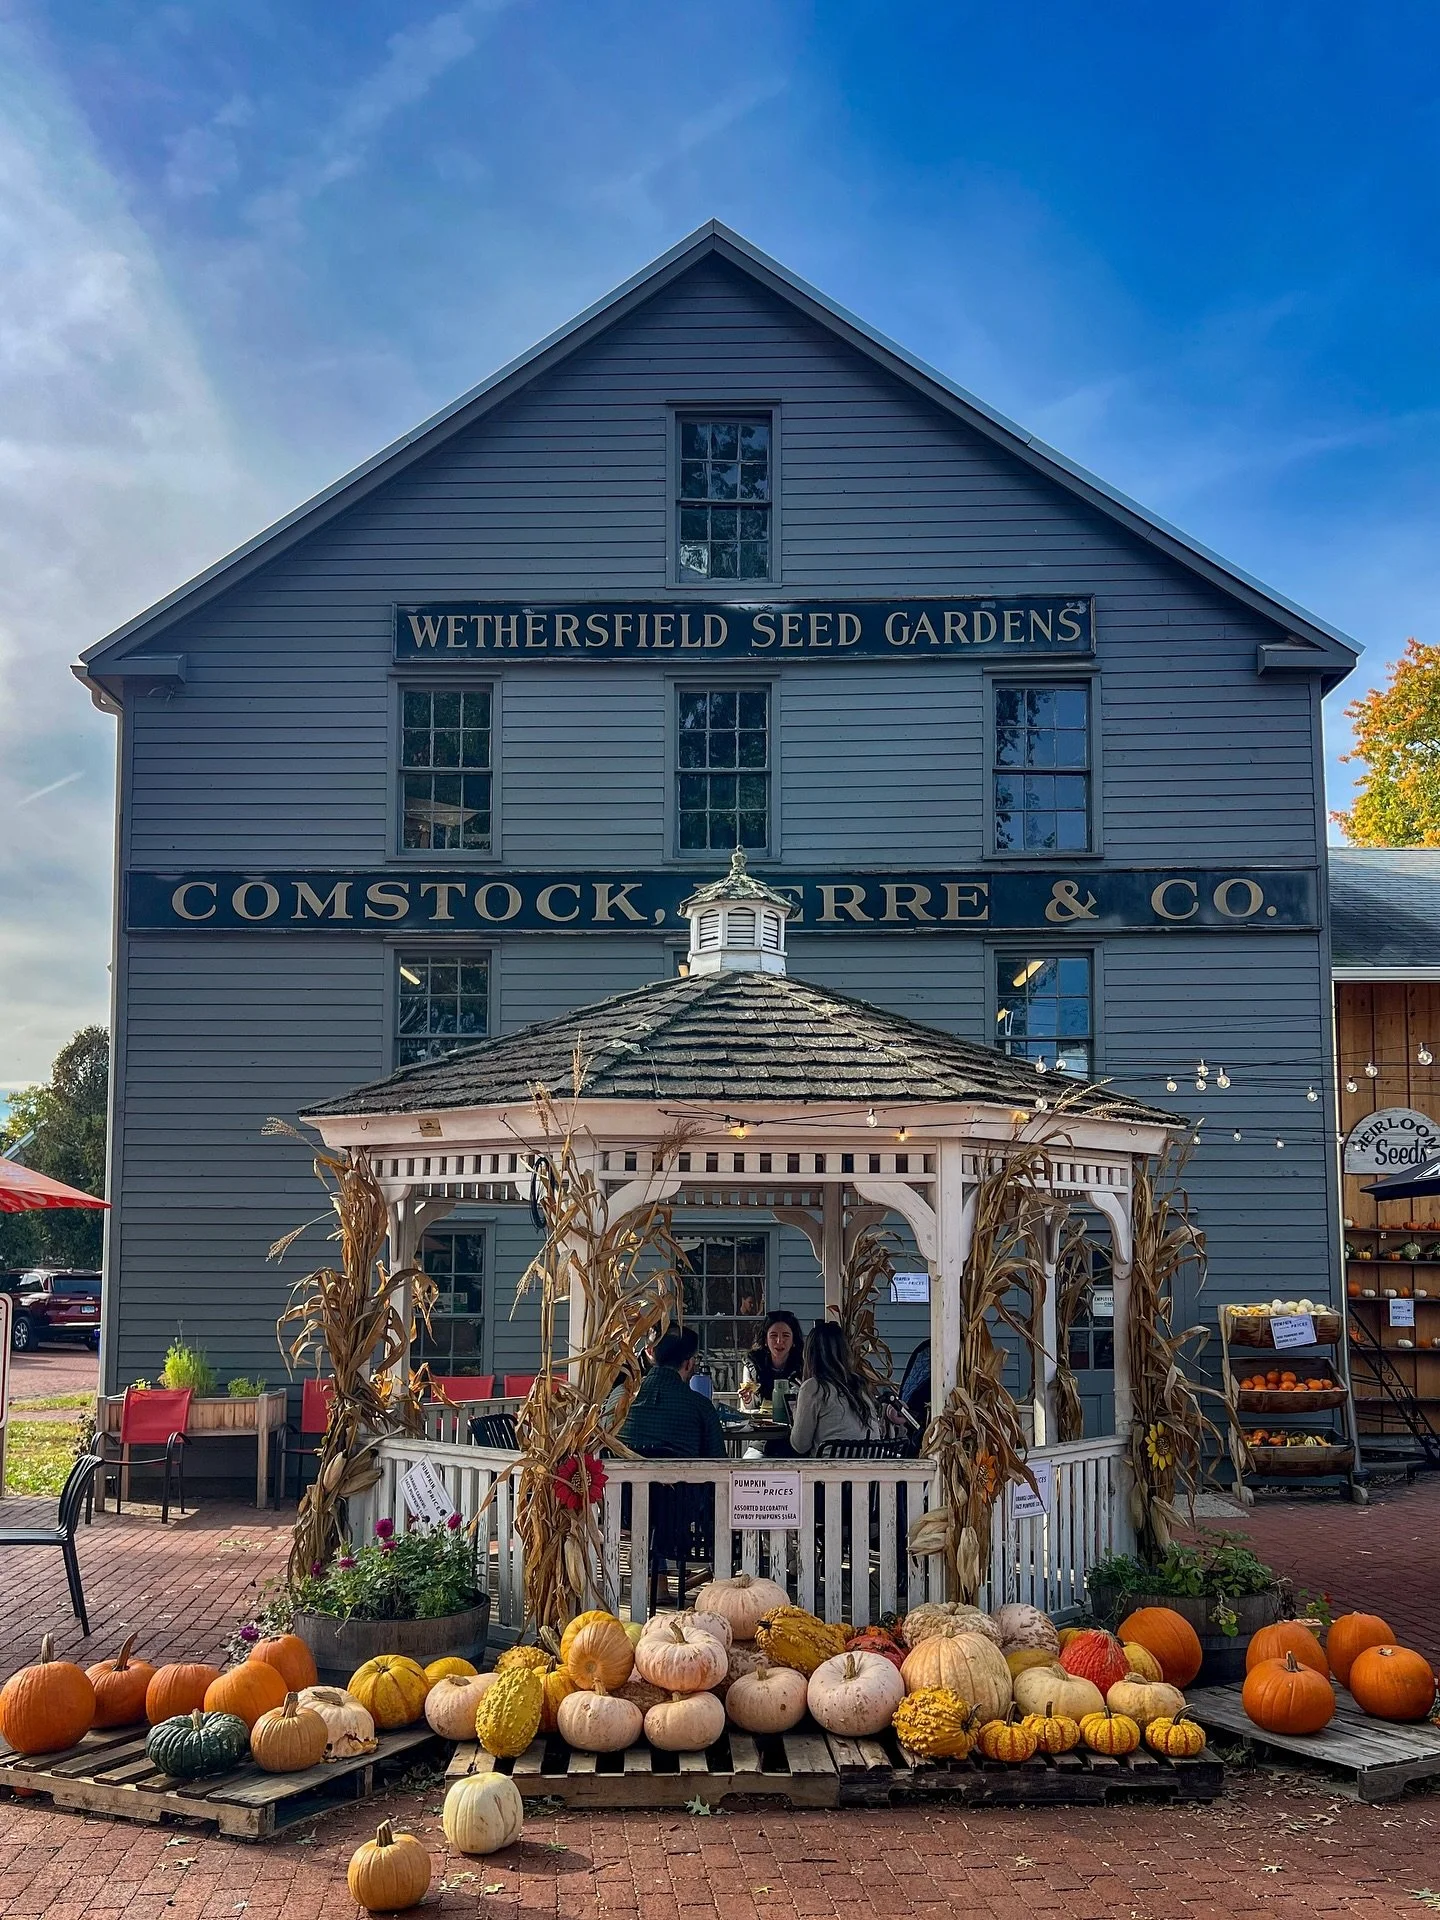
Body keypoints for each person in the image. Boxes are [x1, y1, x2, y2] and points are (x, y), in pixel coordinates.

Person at [619, 1325, 727, 1458]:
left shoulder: (621, 1398)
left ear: (651, 1354)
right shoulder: (700, 1407)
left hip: (625, 1477)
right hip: (685, 1478)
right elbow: (719, 1463)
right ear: (689, 1363)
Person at [788, 1321, 882, 1457]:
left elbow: (800, 1445)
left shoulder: (813, 1387)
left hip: (829, 1474)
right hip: (867, 1474)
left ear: (810, 1354)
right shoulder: (860, 1385)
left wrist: (796, 1413)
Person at [746, 1310, 804, 1400]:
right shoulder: (754, 1362)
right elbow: (749, 1406)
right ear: (765, 1340)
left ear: (794, 1340)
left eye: (785, 1335)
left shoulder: (804, 1363)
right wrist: (747, 1398)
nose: (779, 1341)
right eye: (773, 1335)